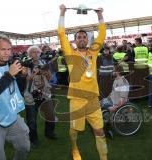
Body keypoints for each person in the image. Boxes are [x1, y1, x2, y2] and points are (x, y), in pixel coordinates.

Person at [57, 4, 107, 160]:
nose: (82, 39)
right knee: (75, 130)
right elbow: (60, 33)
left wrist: (99, 16)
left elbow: (102, 34)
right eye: (79, 37)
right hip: (77, 100)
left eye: (84, 37)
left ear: (87, 39)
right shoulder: (69, 52)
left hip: (93, 99)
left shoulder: (93, 51)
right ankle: (74, 148)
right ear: (75, 40)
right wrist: (62, 13)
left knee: (99, 131)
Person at [0, 35, 30, 160]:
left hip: (13, 115)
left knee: (24, 147)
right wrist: (9, 74)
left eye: (9, 49)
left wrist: (22, 76)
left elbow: (16, 89)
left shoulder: (11, 62)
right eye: (3, 49)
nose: (7, 53)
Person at [25, 45, 57, 149]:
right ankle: (33, 140)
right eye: (33, 52)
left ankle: (49, 133)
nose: (36, 54)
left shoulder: (44, 63)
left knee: (51, 115)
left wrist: (46, 73)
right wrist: (34, 73)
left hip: (44, 93)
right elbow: (24, 80)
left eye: (37, 52)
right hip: (31, 95)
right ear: (29, 54)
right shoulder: (25, 64)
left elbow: (50, 77)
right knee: (32, 121)